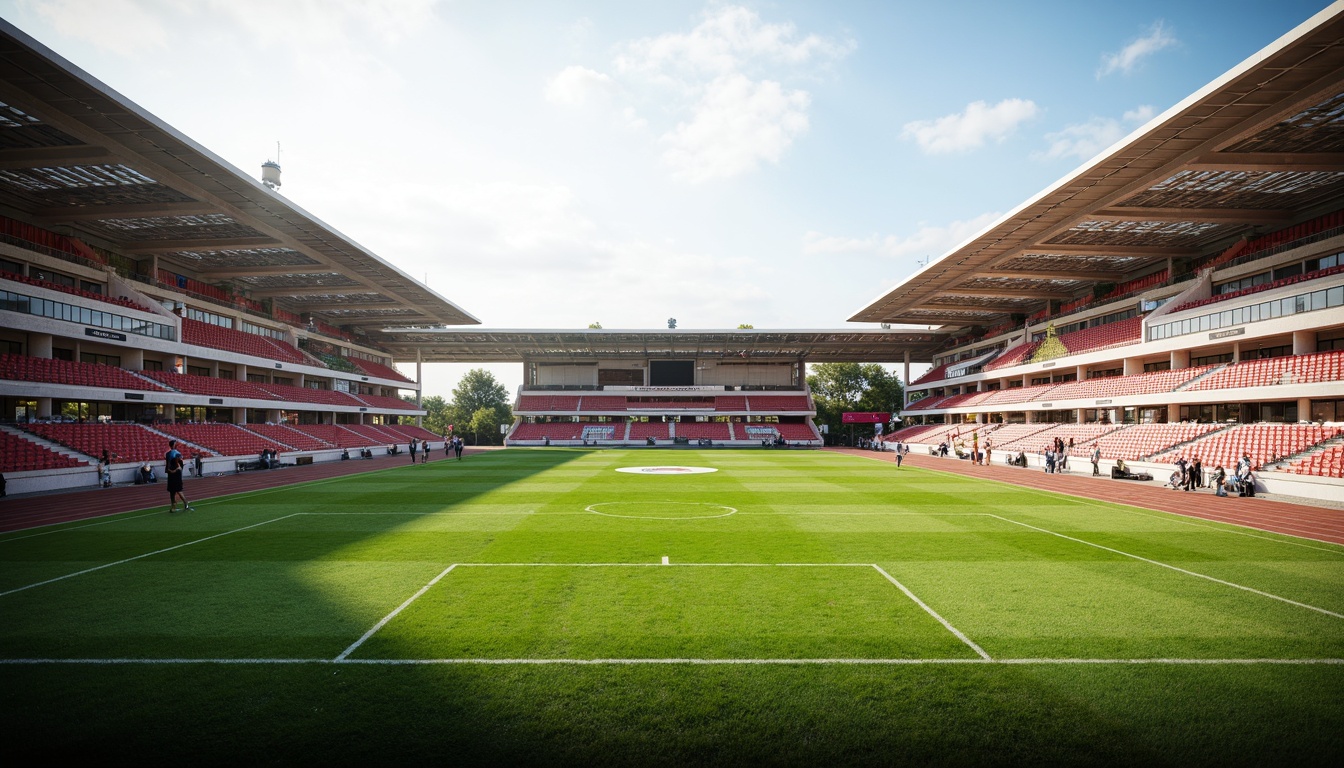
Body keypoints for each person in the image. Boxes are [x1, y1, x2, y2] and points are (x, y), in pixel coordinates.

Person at [165, 439, 192, 513]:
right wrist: (177, 468)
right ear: (173, 445)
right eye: (175, 444)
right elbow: (179, 463)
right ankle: (184, 503)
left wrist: (170, 470)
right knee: (177, 490)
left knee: (173, 491)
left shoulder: (167, 454)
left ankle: (175, 506)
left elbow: (168, 464)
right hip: (175, 473)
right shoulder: (177, 453)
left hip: (171, 473)